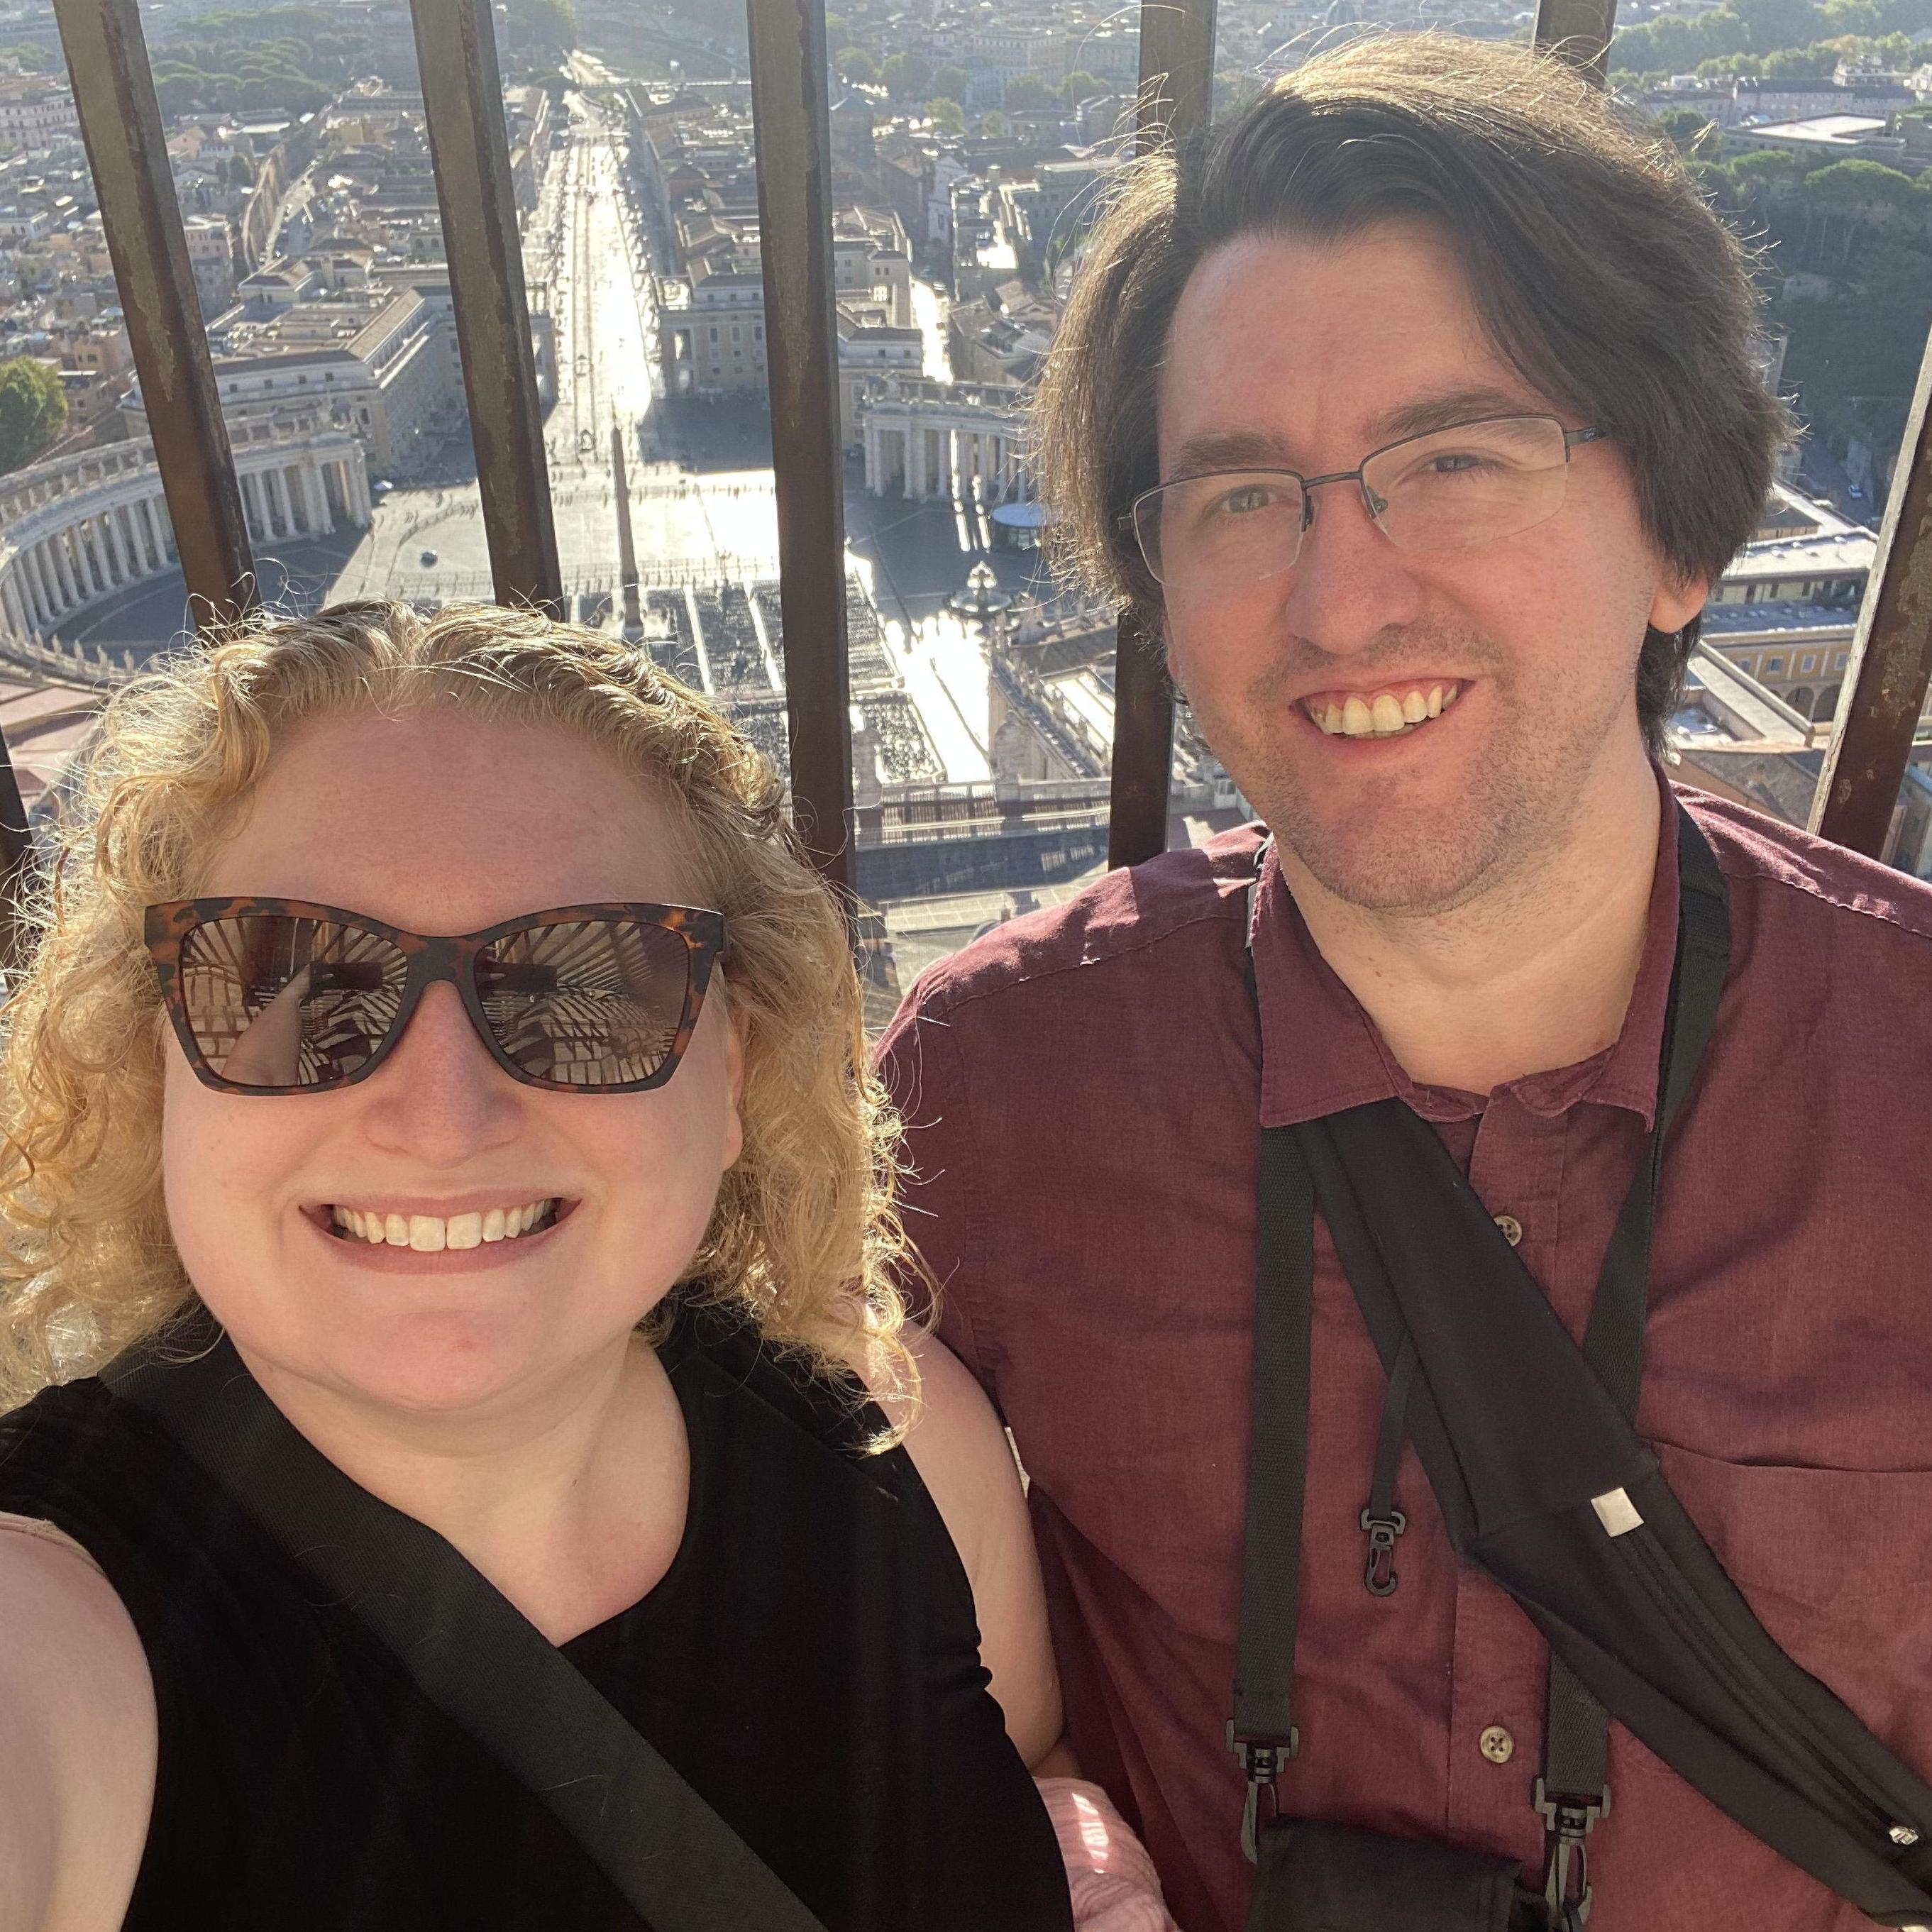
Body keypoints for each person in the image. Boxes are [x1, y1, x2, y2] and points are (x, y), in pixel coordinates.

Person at [876, 33, 1932, 1932]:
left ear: (1682, 534)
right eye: (1239, 496)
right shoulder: (982, 1093)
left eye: (1450, 460)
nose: (1338, 597)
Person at [0, 601, 1173, 1932]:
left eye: (586, 986)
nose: (441, 1115)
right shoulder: (48, 1628)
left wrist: (1089, 1869)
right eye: (293, 982)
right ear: (154, 1059)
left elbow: (1026, 1769)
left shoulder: (887, 1420)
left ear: (729, 1070)